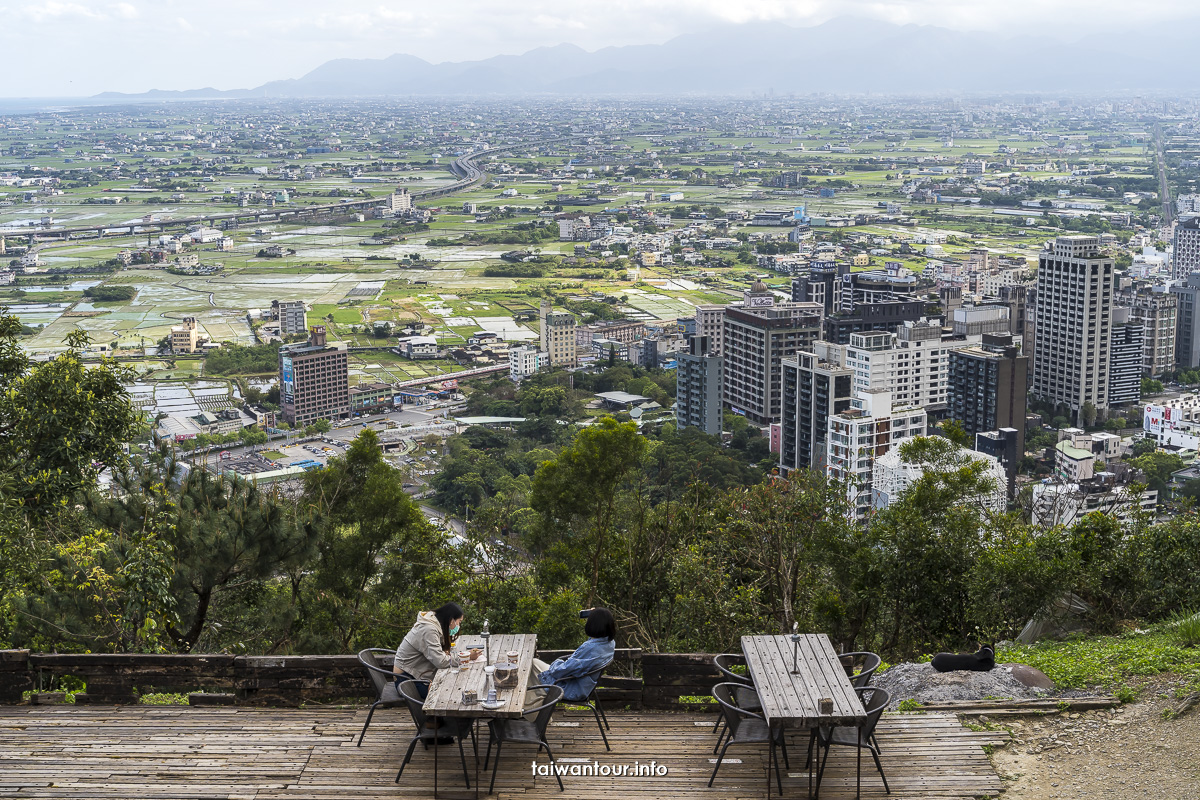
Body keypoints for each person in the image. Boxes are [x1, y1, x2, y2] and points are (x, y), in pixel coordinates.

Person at [527, 608, 617, 708]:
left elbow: (560, 671)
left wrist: (557, 662)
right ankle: (537, 711)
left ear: (593, 624)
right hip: (582, 685)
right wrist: (597, 613)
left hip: (572, 687)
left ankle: (535, 716)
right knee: (534, 663)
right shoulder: (609, 643)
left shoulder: (590, 649)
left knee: (530, 670)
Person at [393, 602, 480, 700]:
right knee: (446, 694)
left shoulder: (435, 624)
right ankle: (440, 715)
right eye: (459, 621)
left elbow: (439, 654)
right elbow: (441, 662)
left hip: (416, 673)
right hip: (406, 680)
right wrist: (467, 656)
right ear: (451, 620)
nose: (459, 625)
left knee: (451, 683)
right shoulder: (429, 629)